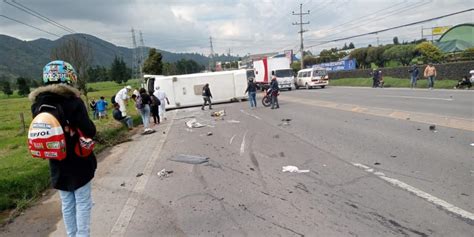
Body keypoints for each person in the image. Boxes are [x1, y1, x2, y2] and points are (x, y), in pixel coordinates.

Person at [30, 60, 96, 237]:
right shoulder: (73, 102)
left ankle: (71, 234)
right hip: (78, 159)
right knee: (82, 201)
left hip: (56, 159)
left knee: (67, 202)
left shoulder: (37, 104)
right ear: (69, 76)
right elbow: (90, 131)